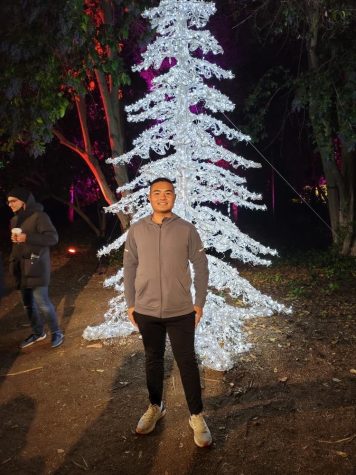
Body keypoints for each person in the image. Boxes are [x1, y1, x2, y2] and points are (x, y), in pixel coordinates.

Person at [124, 177, 212, 448]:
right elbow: (129, 267)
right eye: (157, 193)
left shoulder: (187, 229)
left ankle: (196, 415)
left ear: (174, 197)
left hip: (181, 310)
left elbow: (201, 266)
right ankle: (155, 407)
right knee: (153, 359)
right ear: (149, 198)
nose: (162, 197)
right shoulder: (137, 230)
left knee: (186, 362)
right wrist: (131, 303)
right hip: (147, 310)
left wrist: (199, 302)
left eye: (168, 193)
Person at [7, 187, 64, 349]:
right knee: (28, 305)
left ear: (24, 201)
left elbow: (53, 238)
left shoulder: (39, 216)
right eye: (8, 202)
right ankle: (38, 333)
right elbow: (18, 243)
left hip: (36, 266)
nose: (10, 204)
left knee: (43, 303)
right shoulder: (14, 220)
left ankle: (56, 332)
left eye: (13, 201)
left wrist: (27, 237)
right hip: (21, 268)